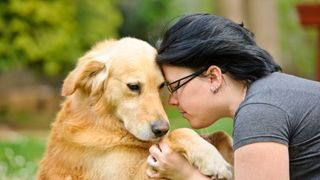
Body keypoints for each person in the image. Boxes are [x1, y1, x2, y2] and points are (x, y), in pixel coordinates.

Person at [146, 13, 320, 180]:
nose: (172, 100)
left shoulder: (259, 112)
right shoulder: (273, 94)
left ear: (214, 77)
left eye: (175, 86)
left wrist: (186, 174)